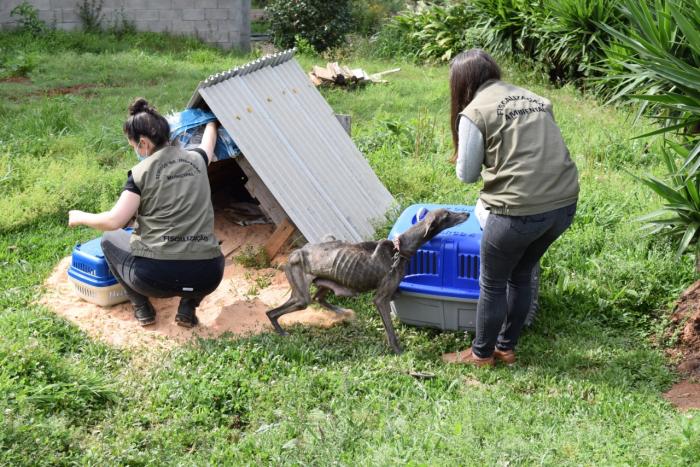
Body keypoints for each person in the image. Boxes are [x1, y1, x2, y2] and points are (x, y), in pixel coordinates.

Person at [441, 49, 579, 367]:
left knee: (493, 282)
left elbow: (466, 175)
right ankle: (506, 348)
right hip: (562, 206)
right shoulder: (535, 99)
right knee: (522, 274)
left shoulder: (474, 112)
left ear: (460, 83)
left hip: (518, 212)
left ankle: (481, 354)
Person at [68, 98, 224, 328]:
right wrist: (212, 121)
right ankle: (187, 308)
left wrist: (79, 215)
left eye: (133, 146)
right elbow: (208, 141)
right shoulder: (197, 160)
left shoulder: (140, 173)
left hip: (154, 279)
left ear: (143, 143)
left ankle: (142, 308)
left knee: (109, 239)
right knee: (203, 249)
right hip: (208, 276)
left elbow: (114, 221)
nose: (135, 151)